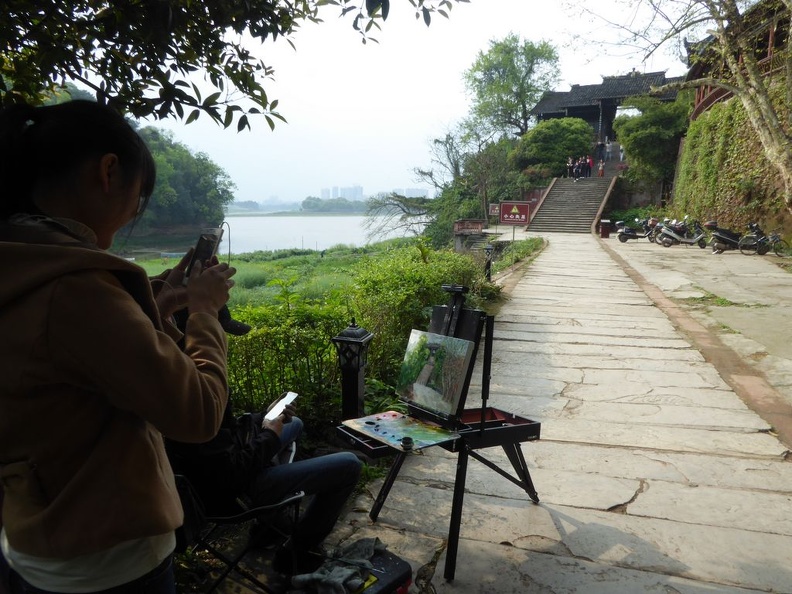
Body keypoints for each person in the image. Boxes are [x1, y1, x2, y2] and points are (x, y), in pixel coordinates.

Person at [0, 100, 237, 593]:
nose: (135, 211)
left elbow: (63, 366)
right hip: (108, 563)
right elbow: (198, 412)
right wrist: (204, 311)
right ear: (109, 171)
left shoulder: (22, 263)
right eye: (140, 196)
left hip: (35, 541)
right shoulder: (76, 290)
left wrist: (151, 306)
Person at [165, 310, 363, 575]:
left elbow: (227, 435)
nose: (222, 340)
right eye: (216, 332)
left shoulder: (191, 377)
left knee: (294, 423)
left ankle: (268, 525)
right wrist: (268, 434)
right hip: (232, 496)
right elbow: (231, 474)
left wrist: (264, 418)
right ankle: (297, 548)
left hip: (231, 470)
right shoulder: (192, 394)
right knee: (350, 464)